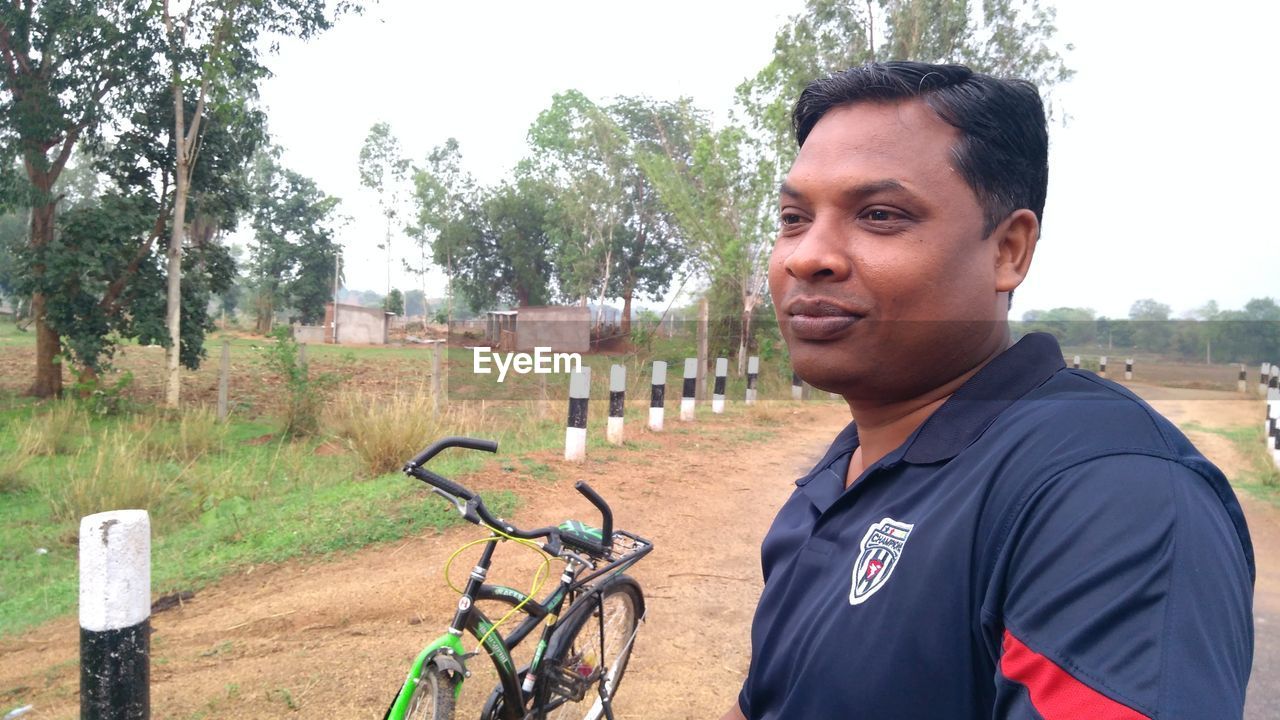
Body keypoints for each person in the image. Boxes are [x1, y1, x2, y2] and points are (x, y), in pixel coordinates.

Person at [722, 61, 1254, 719]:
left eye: (880, 214)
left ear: (1009, 251)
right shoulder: (840, 476)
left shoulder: (1110, 494)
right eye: (794, 217)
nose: (807, 256)